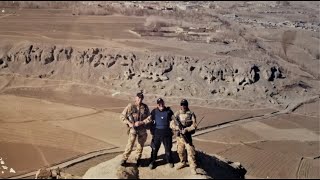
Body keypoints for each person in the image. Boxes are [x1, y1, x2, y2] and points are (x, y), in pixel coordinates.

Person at [140, 98, 174, 169]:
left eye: (162, 103)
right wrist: (142, 122)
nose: (161, 105)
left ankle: (169, 160)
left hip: (167, 134)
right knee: (154, 149)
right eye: (159, 103)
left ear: (164, 103)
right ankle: (152, 161)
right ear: (157, 104)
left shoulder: (169, 111)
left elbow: (174, 121)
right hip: (157, 134)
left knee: (168, 149)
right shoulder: (154, 112)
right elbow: (149, 119)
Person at [120, 92, 150, 166]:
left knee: (140, 145)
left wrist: (142, 122)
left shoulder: (145, 107)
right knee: (130, 145)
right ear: (135, 98)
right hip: (133, 129)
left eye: (141, 98)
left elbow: (149, 117)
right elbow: (122, 116)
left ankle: (138, 159)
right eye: (138, 98)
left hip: (142, 130)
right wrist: (129, 123)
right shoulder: (130, 106)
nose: (139, 100)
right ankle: (124, 159)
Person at [170, 99, 198, 175]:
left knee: (191, 152)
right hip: (179, 137)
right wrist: (177, 128)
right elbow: (171, 124)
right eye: (182, 105)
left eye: (185, 105)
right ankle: (183, 162)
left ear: (187, 105)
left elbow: (194, 125)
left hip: (187, 136)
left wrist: (186, 130)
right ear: (180, 105)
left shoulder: (191, 114)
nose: (183, 106)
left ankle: (193, 168)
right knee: (180, 151)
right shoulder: (177, 114)